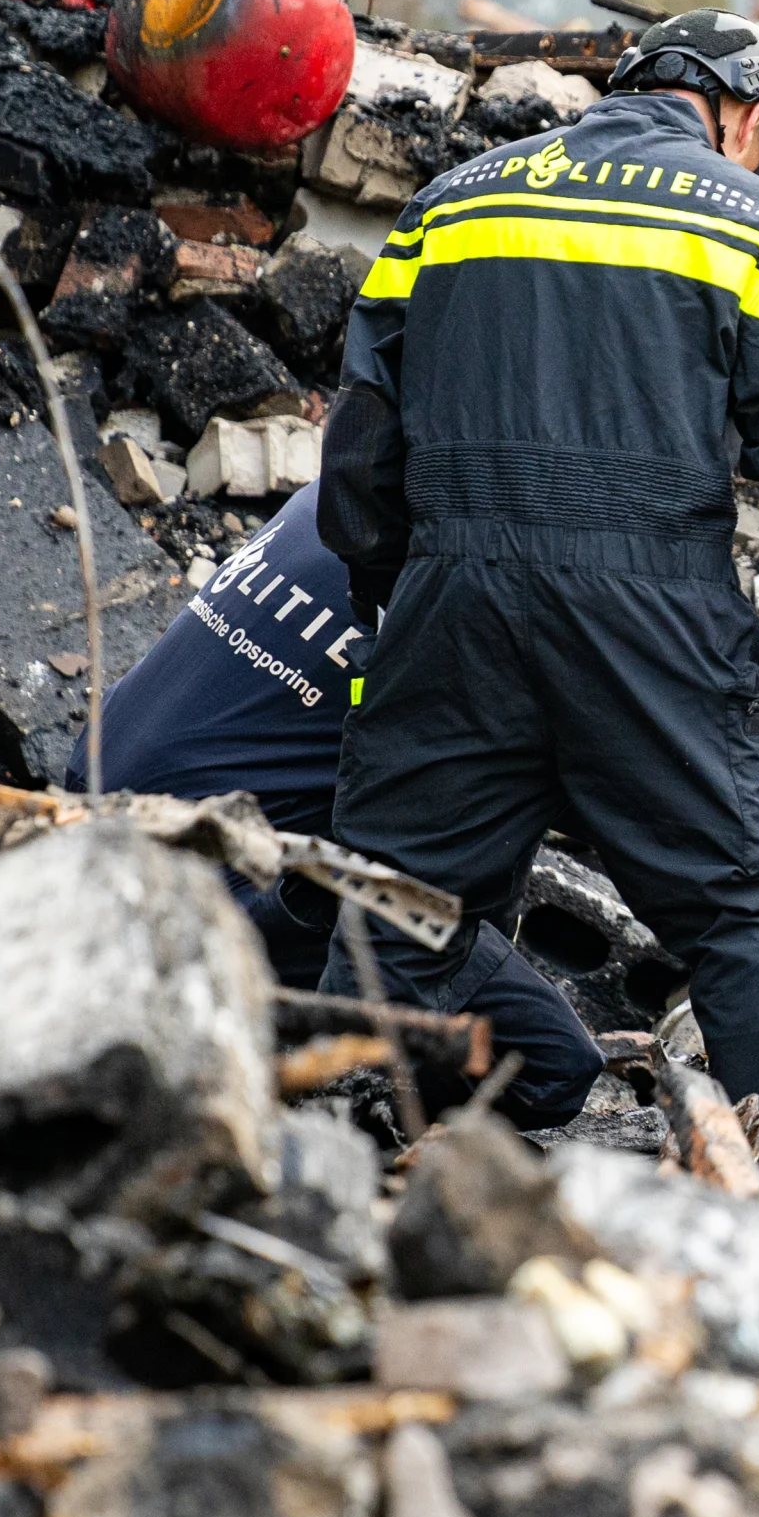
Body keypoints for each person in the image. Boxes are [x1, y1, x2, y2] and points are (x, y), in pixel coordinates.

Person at [321, 10, 759, 1175]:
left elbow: (361, 445)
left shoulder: (450, 203)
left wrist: (402, 599)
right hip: (651, 617)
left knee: (397, 912)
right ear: (742, 114)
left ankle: (304, 1171)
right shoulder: (752, 218)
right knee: (741, 924)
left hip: (451, 604)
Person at [67, 481, 607, 1129]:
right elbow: (566, 799)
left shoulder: (343, 490)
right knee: (554, 1066)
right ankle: (356, 1115)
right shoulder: (481, 598)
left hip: (89, 784)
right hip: (197, 878)